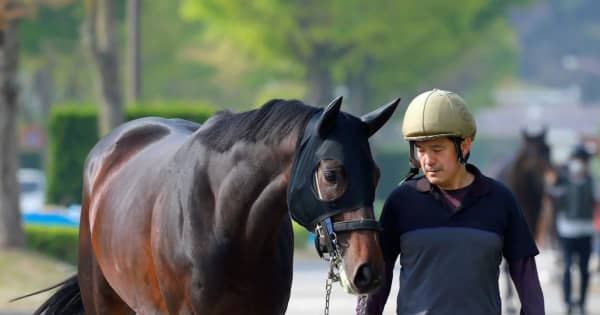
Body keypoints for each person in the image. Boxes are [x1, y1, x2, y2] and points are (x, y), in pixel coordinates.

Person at [356, 89, 545, 315]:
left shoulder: (500, 200)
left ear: (464, 145)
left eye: (437, 149)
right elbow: (378, 281)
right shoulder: (401, 201)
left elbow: (528, 284)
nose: (427, 160)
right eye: (420, 150)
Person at [546, 144, 598, 315]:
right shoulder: (563, 180)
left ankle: (581, 302)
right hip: (567, 231)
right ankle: (568, 302)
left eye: (583, 160)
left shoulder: (592, 182)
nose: (580, 163)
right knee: (567, 266)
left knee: (584, 268)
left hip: (585, 231)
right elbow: (552, 196)